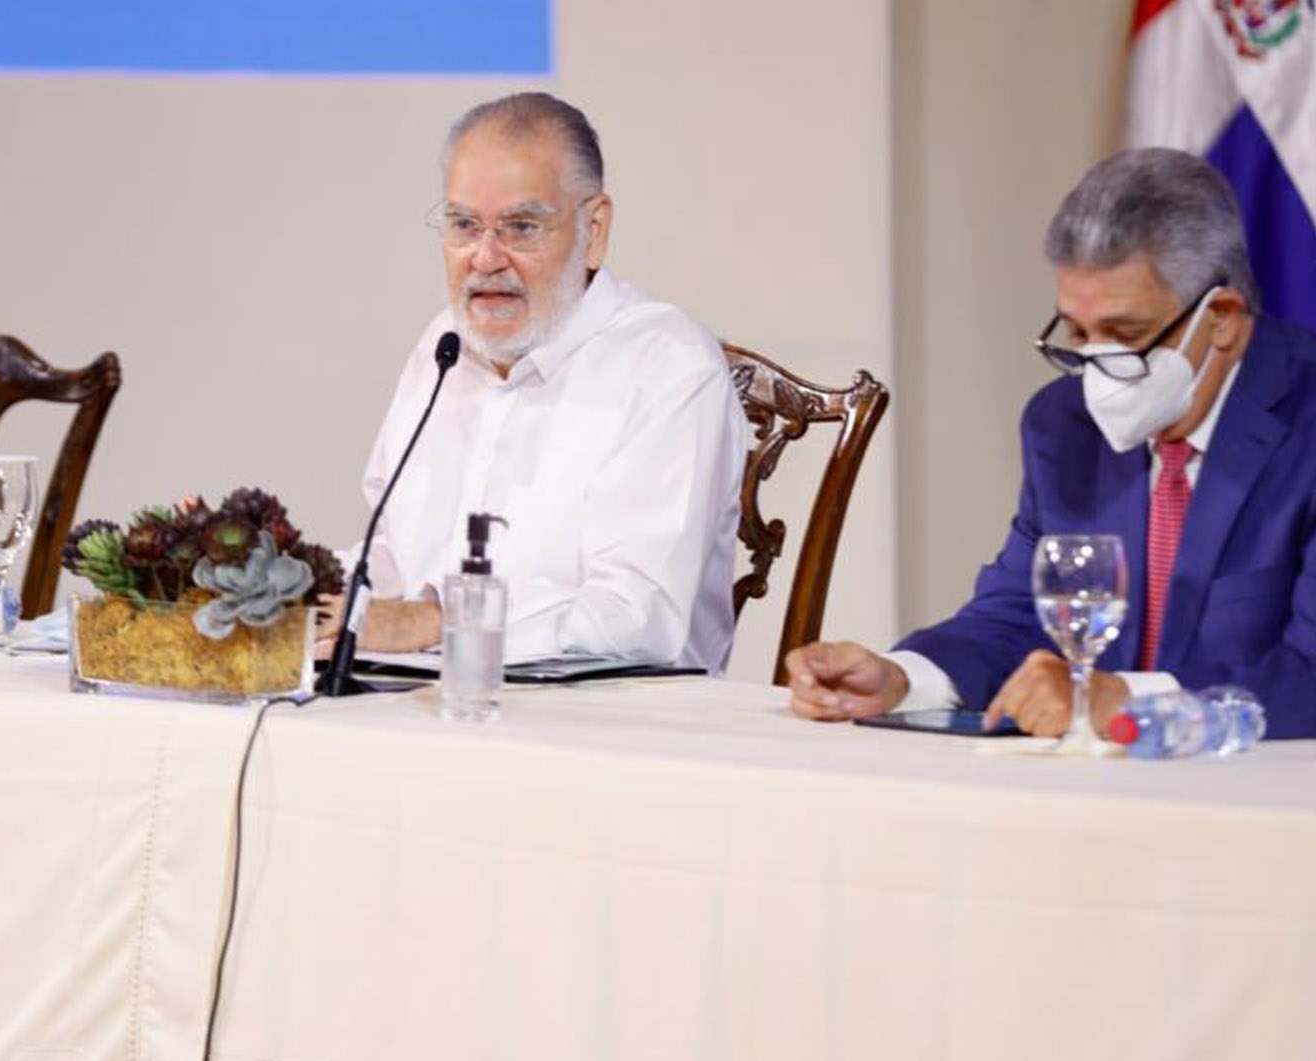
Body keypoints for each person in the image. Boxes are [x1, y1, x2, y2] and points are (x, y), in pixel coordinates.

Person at [788, 148, 1316, 739]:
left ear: (1219, 316)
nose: (1095, 365)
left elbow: (1308, 676)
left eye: (1125, 334)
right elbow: (1021, 613)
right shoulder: (1062, 425)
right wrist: (904, 679)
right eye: (1077, 333)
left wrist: (1129, 703)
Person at [317, 92, 746, 669]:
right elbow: (394, 557)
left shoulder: (666, 365)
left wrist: (438, 622)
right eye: (464, 225)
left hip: (614, 730)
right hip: (427, 708)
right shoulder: (443, 347)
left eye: (521, 227)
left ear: (594, 229)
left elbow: (637, 617)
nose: (485, 257)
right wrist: (285, 589)